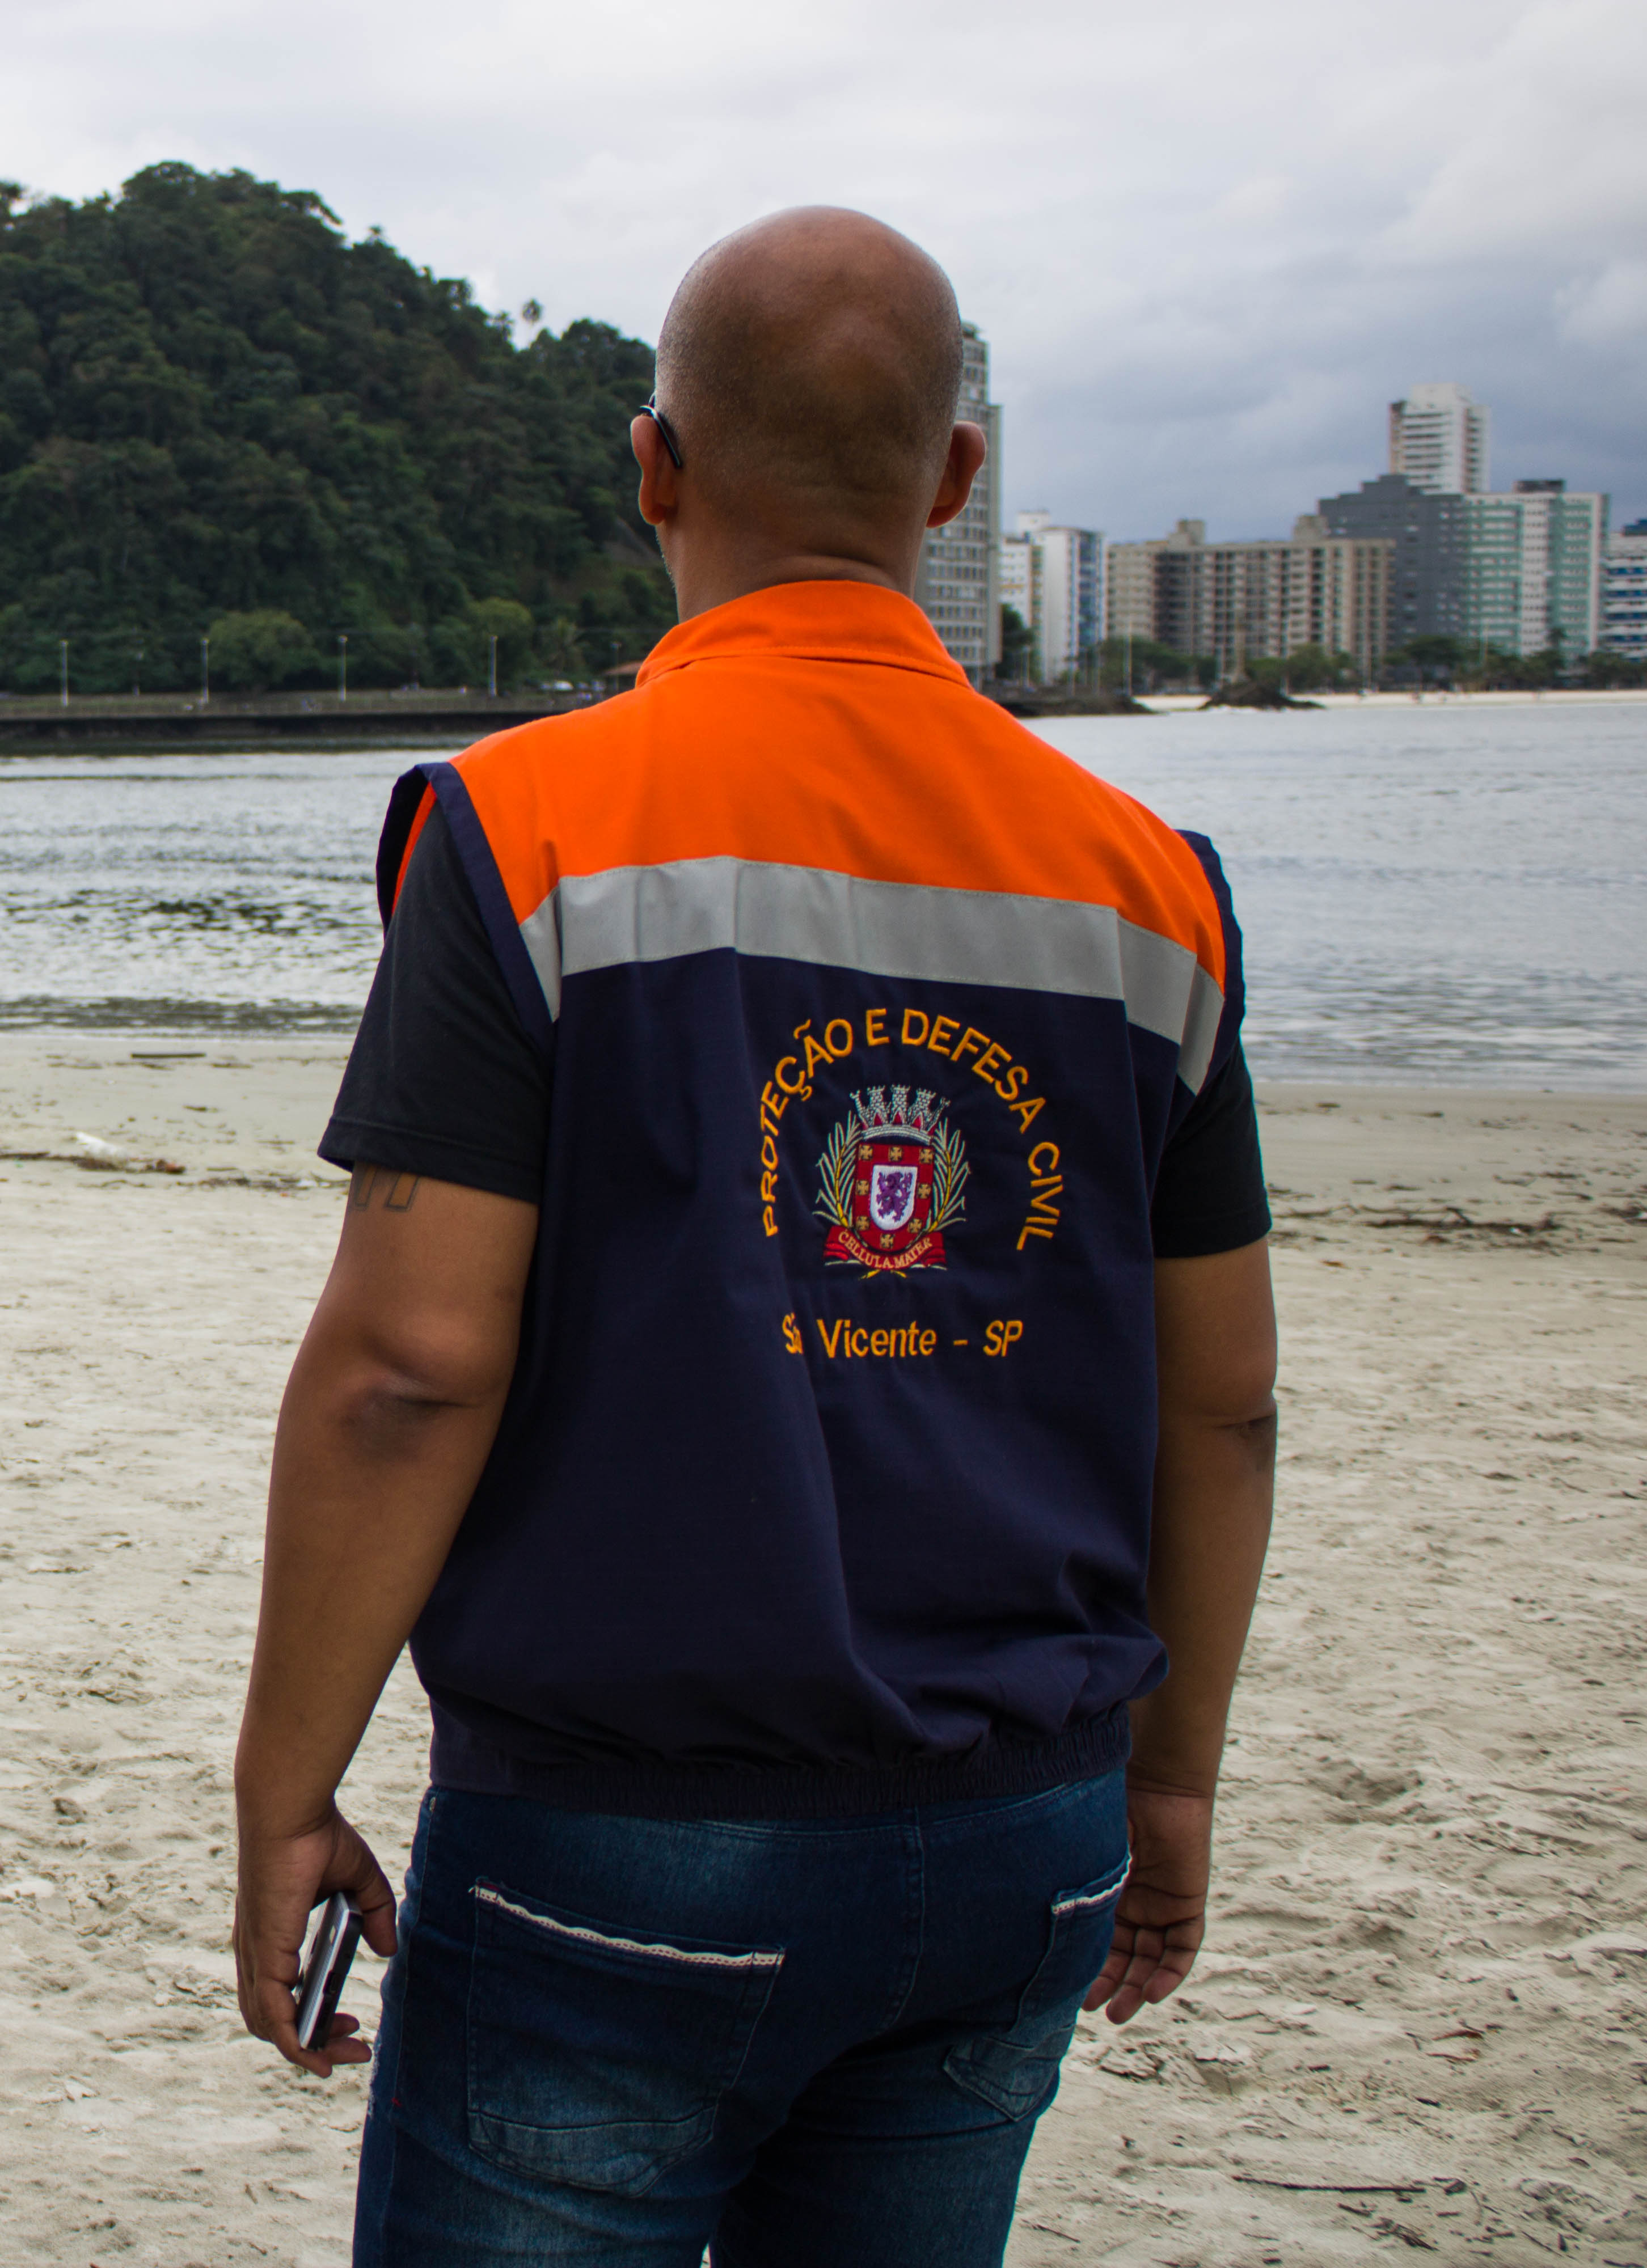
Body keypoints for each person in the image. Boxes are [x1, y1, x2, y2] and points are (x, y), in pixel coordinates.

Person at [230, 208, 1278, 2264]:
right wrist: (1170, 1788)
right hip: (1023, 1827)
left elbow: (409, 1368)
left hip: (621, 1838)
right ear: (954, 480)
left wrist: (288, 1785)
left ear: (656, 467)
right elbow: (1222, 1405)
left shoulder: (525, 828)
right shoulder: (1150, 884)